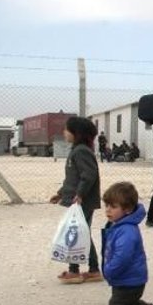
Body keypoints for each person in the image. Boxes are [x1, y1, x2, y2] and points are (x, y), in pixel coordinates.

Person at [100, 181, 153, 305]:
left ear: (127, 209)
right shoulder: (118, 226)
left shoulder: (127, 231)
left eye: (113, 207)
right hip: (126, 278)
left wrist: (109, 270)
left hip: (129, 279)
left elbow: (123, 257)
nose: (108, 210)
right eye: (106, 206)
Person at [50, 116, 102, 284]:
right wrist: (61, 193)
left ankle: (75, 271)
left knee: (75, 233)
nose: (64, 132)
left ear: (76, 133)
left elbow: (88, 175)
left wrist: (79, 195)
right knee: (82, 232)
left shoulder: (80, 151)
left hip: (82, 201)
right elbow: (72, 179)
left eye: (67, 129)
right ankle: (93, 270)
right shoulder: (78, 150)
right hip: (78, 199)